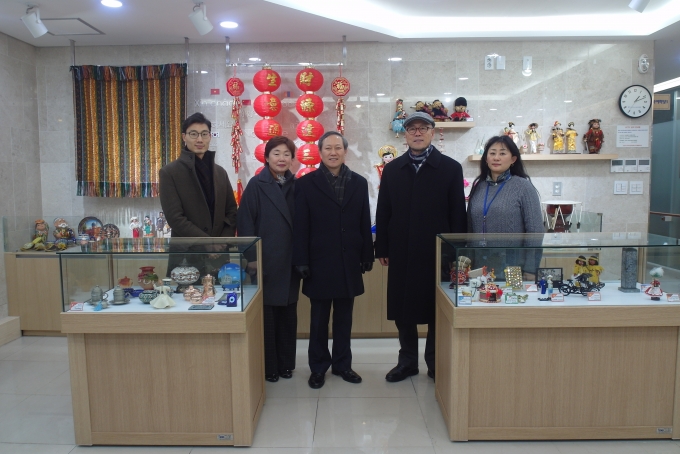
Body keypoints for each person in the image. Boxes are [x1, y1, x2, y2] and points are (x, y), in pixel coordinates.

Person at [375, 111, 467, 383]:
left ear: (432, 133)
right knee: (403, 309)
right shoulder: (393, 169)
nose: (417, 133)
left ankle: (435, 361)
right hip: (401, 250)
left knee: (436, 308)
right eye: (411, 128)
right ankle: (407, 361)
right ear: (404, 134)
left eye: (423, 128)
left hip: (436, 252)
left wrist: (457, 251)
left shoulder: (450, 168)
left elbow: (457, 214)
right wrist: (382, 248)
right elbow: (384, 211)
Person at [293, 131, 374, 389]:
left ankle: (342, 365)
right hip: (318, 262)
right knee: (318, 319)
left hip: (349, 260)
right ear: (319, 152)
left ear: (345, 151)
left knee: (344, 318)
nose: (333, 152)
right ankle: (318, 367)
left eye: (338, 148)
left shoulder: (359, 182)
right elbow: (301, 226)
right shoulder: (305, 184)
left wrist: (367, 254)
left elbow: (364, 220)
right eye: (327, 148)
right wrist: (301, 260)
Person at [237, 136, 300, 383]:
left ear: (292, 159)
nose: (281, 158)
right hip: (265, 260)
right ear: (266, 157)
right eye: (276, 153)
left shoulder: (297, 185)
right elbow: (245, 223)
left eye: (286, 154)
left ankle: (286, 364)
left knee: (288, 314)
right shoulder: (256, 185)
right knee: (268, 316)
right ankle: (269, 366)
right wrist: (252, 258)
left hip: (290, 261)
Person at [467, 135, 544, 281]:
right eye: (492, 153)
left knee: (508, 295)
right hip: (479, 267)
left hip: (512, 267)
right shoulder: (479, 186)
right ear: (486, 158)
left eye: (502, 153)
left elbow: (535, 231)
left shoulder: (523, 187)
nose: (496, 158)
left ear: (513, 159)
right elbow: (470, 230)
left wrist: (530, 268)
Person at [159, 112, 238, 239]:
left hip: (220, 248)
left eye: (204, 134)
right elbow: (175, 218)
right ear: (184, 137)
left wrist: (223, 241)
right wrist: (208, 244)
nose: (200, 139)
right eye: (193, 134)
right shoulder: (169, 173)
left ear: (210, 137)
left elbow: (231, 211)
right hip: (188, 249)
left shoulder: (220, 172)